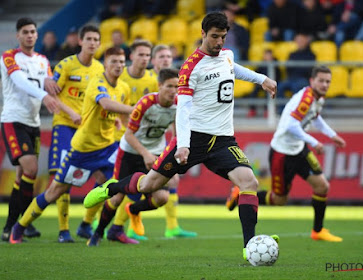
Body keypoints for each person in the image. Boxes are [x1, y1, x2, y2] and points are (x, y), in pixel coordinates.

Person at [84, 12, 277, 261]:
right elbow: (183, 110)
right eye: (215, 37)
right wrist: (183, 145)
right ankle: (111, 188)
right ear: (203, 34)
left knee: (249, 182)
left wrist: (262, 79)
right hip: (193, 138)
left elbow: (234, 68)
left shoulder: (226, 56)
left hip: (223, 140)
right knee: (149, 185)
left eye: (223, 37)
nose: (219, 42)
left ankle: (249, 246)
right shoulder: (190, 67)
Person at [9, 47, 134, 244]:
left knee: (118, 187)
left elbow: (121, 114)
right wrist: (137, 108)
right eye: (114, 62)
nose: (118, 66)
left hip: (107, 148)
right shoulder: (97, 83)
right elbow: (107, 105)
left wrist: (120, 122)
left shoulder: (124, 88)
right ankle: (20, 226)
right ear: (106, 64)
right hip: (82, 150)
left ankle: (94, 230)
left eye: (121, 62)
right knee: (54, 191)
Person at [227, 66, 346, 242]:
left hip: (299, 149)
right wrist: (315, 142)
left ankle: (318, 231)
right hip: (282, 154)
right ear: (312, 81)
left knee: (322, 186)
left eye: (328, 81)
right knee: (279, 200)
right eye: (321, 80)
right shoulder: (306, 98)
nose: (325, 84)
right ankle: (240, 194)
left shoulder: (317, 98)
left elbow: (315, 117)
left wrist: (332, 135)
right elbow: (291, 125)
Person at [88, 68, 187, 245]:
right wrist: (145, 154)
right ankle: (97, 233)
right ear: (160, 86)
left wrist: (169, 153)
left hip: (154, 153)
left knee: (162, 198)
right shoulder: (146, 103)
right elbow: (128, 135)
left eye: (177, 87)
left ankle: (132, 210)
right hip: (130, 153)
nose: (174, 91)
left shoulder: (178, 104)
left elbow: (177, 133)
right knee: (117, 197)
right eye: (169, 86)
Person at [115, 41, 196, 240]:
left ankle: (171, 226)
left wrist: (173, 148)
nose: (166, 60)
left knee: (161, 186)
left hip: (153, 144)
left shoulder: (174, 89)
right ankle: (101, 225)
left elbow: (173, 123)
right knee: (118, 188)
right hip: (128, 140)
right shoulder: (150, 85)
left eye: (169, 57)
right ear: (154, 61)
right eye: (162, 57)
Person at [0, 17, 60, 242]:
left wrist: (55, 89)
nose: (29, 35)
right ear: (18, 35)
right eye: (25, 32)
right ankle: (15, 225)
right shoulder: (9, 57)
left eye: (33, 31)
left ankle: (17, 225)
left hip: (34, 122)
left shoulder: (43, 60)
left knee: (22, 176)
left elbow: (50, 83)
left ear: (37, 34)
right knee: (31, 168)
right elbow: (19, 81)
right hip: (13, 121)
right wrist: (45, 95)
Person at [48, 25, 104, 243]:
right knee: (64, 178)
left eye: (96, 39)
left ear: (99, 43)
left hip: (89, 130)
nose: (92, 42)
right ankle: (63, 230)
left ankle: (86, 224)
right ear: (80, 41)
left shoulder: (100, 69)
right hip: (65, 126)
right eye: (88, 38)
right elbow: (52, 94)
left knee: (103, 177)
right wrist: (71, 112)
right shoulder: (66, 65)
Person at [277, 33, 315, 100]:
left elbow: (308, 70)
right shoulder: (292, 54)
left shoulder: (311, 54)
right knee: (279, 86)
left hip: (303, 79)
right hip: (291, 78)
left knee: (296, 86)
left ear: (306, 41)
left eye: (301, 40)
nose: (300, 42)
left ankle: (297, 109)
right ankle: (282, 109)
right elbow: (288, 68)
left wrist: (297, 67)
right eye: (298, 41)